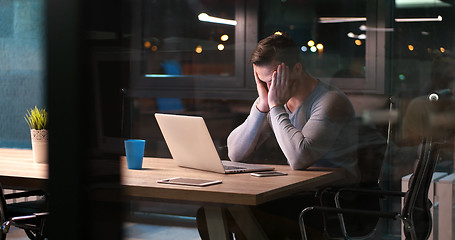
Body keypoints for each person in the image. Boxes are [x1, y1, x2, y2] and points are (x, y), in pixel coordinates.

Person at [197, 34, 360, 240]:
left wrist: (274, 107)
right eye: (262, 82)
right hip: (293, 193)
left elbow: (300, 158)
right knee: (211, 213)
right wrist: (262, 107)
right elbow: (236, 153)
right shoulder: (271, 99)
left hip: (329, 200)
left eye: (273, 80)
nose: (269, 89)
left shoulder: (329, 101)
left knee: (245, 215)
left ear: (297, 69)